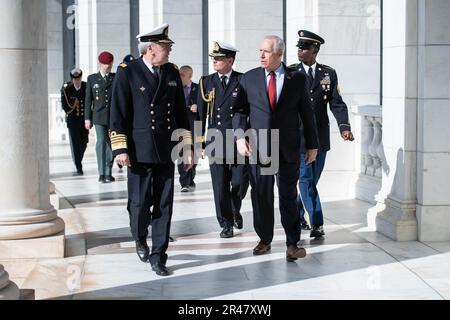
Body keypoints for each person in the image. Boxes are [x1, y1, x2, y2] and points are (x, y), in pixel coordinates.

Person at [110, 23, 193, 276]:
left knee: (164, 205)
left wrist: (187, 147)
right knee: (139, 203)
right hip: (138, 151)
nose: (169, 51)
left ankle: (159, 255)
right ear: (150, 48)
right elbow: (118, 113)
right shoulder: (128, 72)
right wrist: (120, 149)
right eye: (165, 47)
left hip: (166, 150)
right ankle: (139, 237)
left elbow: (181, 113)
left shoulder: (170, 72)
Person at [233, 35, 319, 262]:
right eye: (260, 51)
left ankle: (292, 243)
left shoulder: (297, 79)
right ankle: (264, 239)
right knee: (261, 195)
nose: (261, 55)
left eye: (266, 51)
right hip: (258, 148)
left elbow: (307, 114)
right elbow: (239, 111)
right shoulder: (249, 78)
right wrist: (240, 137)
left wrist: (312, 145)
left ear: (279, 54)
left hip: (288, 148)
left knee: (288, 196)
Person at [290, 30, 354, 239]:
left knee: (311, 181)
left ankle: (299, 213)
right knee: (306, 179)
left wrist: (344, 127)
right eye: (299, 47)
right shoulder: (290, 72)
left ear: (315, 50)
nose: (300, 50)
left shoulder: (328, 73)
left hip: (320, 136)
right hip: (299, 137)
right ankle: (317, 222)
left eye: (304, 47)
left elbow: (336, 102)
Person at [197, 41, 249, 238]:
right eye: (213, 58)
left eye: (219, 58)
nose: (215, 61)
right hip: (215, 139)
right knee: (220, 185)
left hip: (238, 139)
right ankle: (226, 223)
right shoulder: (206, 82)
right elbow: (200, 116)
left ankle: (235, 208)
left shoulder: (242, 80)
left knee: (240, 182)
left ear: (231, 60)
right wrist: (199, 143)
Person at [85, 51, 116, 183]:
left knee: (111, 144)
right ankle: (102, 172)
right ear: (100, 63)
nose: (108, 66)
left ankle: (108, 172)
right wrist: (87, 118)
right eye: (105, 64)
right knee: (101, 141)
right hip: (98, 116)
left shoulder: (115, 77)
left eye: (110, 64)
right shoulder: (92, 79)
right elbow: (88, 100)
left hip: (113, 117)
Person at [61, 68, 89, 175]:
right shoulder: (67, 88)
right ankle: (78, 165)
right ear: (72, 79)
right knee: (75, 144)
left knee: (84, 142)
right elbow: (65, 105)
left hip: (84, 120)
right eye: (75, 79)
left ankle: (78, 158)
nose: (77, 81)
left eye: (78, 78)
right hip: (73, 121)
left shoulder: (86, 86)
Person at [177, 65, 198, 192]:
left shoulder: (197, 88)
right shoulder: (175, 89)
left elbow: (205, 105)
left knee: (194, 154)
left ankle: (191, 177)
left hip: (195, 126)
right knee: (181, 153)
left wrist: (198, 106)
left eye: (182, 75)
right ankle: (184, 182)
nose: (180, 77)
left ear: (190, 76)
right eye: (179, 74)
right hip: (180, 128)